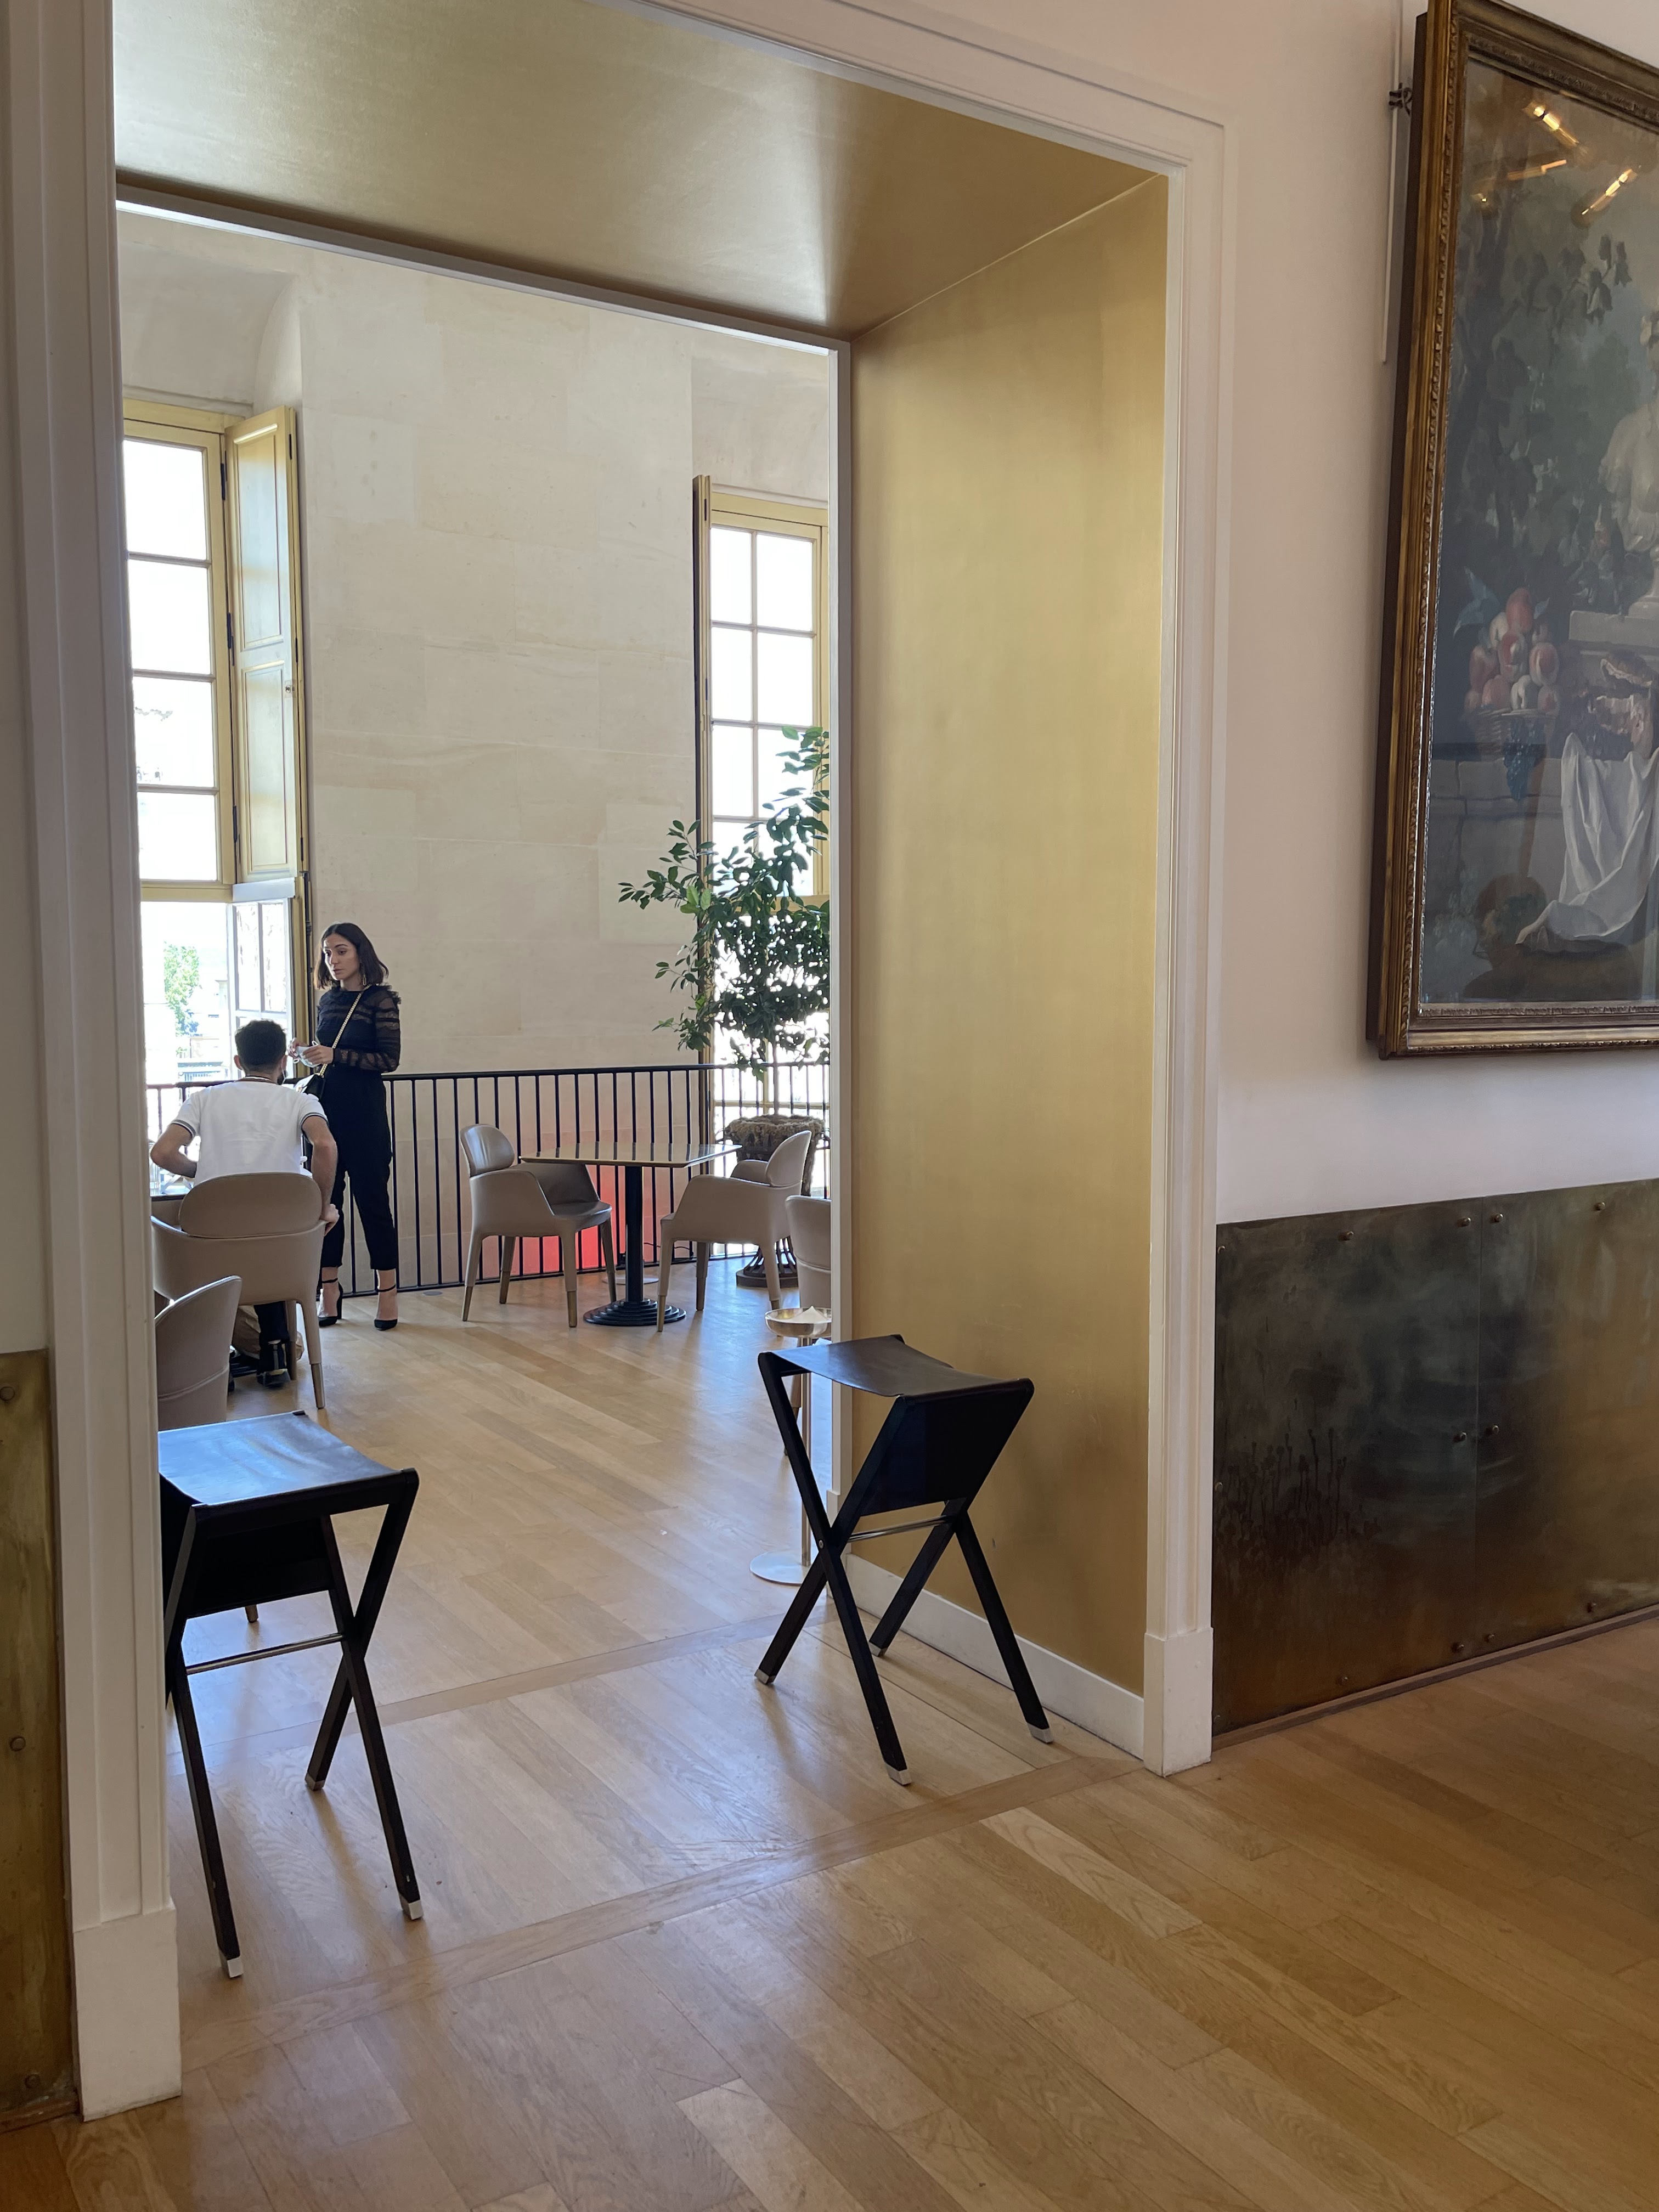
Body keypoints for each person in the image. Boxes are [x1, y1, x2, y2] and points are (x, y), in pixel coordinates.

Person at [150, 1018, 338, 1389]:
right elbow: (325, 1145)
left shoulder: (204, 1099)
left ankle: (214, 1362)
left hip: (213, 1243)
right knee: (269, 1241)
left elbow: (162, 1152)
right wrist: (321, 1207)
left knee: (216, 1252)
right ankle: (275, 1353)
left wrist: (199, 1171)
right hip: (279, 1246)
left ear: (238, 1061)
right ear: (283, 1062)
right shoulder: (300, 1100)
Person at [292, 922, 402, 1330]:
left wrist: (336, 1055)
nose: (333, 960)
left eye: (341, 951)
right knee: (326, 1204)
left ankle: (387, 1293)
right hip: (328, 1113)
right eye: (327, 953)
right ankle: (329, 1291)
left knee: (374, 1203)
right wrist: (308, 1053)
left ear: (360, 953)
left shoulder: (381, 1000)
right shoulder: (328, 1001)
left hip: (366, 1114)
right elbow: (328, 1056)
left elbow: (389, 1060)